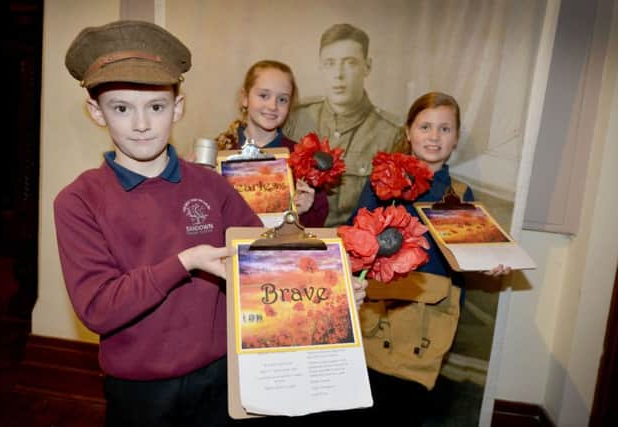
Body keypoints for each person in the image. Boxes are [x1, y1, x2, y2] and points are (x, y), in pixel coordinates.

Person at [55, 20, 263, 426]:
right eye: (121, 108)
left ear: (178, 107)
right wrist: (183, 262)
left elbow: (260, 257)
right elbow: (97, 308)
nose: (141, 124)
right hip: (139, 390)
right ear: (96, 112)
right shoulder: (78, 201)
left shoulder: (211, 185)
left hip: (218, 378)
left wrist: (330, 287)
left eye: (156, 106)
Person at [348, 91, 510, 424]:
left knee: (406, 410)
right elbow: (354, 238)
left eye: (444, 129)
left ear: (456, 139)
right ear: (408, 132)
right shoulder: (382, 183)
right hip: (377, 316)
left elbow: (473, 256)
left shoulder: (460, 197)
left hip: (427, 325)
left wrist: (491, 265)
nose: (434, 136)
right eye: (425, 126)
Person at [283, 23, 403, 227]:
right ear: (320, 66)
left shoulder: (390, 134)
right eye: (330, 63)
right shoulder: (295, 118)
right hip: (296, 241)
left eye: (350, 63)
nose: (338, 74)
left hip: (355, 251)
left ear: (367, 67)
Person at [215, 59, 328, 227]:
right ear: (245, 98)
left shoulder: (303, 160)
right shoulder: (217, 151)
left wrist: (304, 211)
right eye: (264, 96)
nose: (273, 106)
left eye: (282, 99)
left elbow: (315, 229)